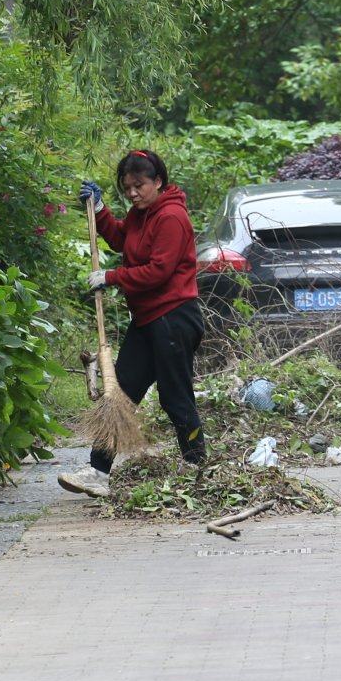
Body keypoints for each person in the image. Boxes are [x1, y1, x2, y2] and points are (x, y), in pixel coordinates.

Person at [58, 149, 206, 497]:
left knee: (175, 396)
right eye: (127, 188)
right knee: (120, 394)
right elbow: (121, 238)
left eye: (139, 185)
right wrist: (99, 210)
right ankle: (97, 472)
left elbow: (158, 271)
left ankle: (198, 467)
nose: (133, 193)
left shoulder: (171, 217)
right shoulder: (141, 214)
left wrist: (111, 277)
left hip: (174, 318)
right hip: (147, 320)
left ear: (158, 181)